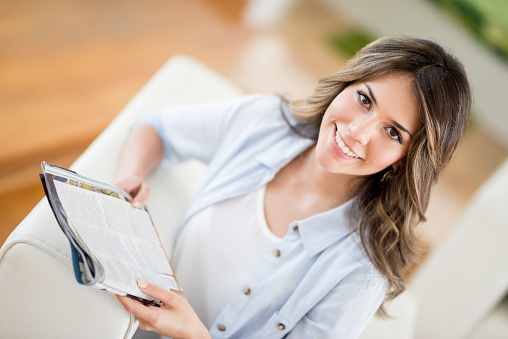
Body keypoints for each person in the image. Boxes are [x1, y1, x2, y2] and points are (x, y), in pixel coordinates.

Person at [114, 36, 472, 338]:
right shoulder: (264, 122)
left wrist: (193, 333)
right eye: (365, 99)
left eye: (392, 132)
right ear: (348, 81)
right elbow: (155, 130)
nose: (357, 132)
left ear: (405, 159)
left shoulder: (359, 273)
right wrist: (128, 179)